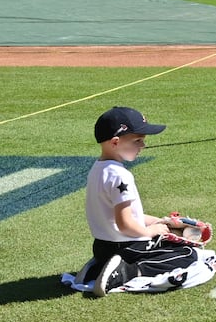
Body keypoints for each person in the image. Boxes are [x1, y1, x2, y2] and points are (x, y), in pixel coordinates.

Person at [81, 106, 202, 296]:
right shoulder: (121, 175)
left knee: (169, 244)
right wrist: (149, 231)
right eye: (138, 141)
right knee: (187, 254)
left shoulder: (97, 169)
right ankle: (126, 272)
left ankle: (97, 267)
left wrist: (160, 221)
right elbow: (125, 223)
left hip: (102, 246)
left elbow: (126, 216)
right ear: (115, 142)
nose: (143, 146)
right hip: (128, 246)